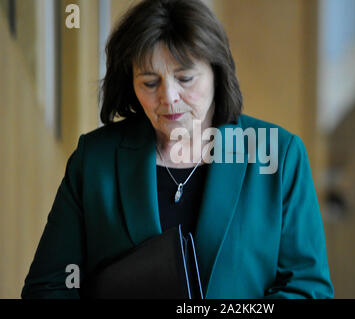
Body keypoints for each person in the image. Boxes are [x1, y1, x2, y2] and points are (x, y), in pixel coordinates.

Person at [22, 0, 334, 299]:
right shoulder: (94, 160)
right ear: (130, 83)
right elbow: (48, 286)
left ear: (217, 72)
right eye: (149, 82)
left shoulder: (278, 155)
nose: (169, 97)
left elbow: (308, 289)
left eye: (184, 78)